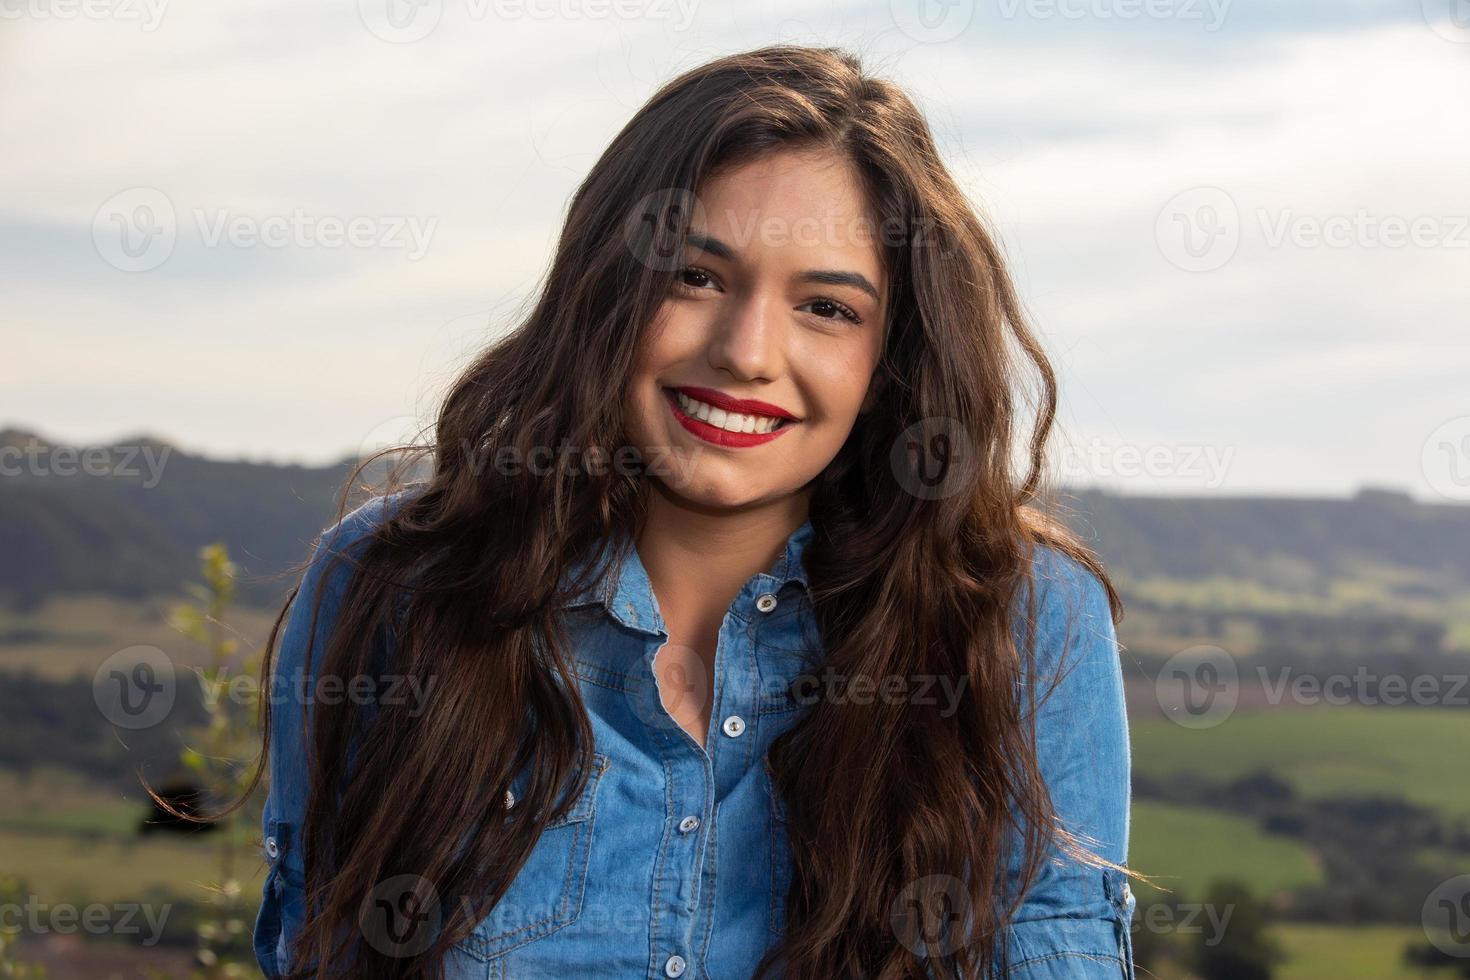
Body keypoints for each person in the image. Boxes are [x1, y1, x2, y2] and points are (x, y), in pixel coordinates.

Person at [247, 43, 1137, 980]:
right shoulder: (395, 583)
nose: (747, 353)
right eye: (697, 277)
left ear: (891, 359)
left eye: (827, 307)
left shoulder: (1023, 617)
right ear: (605, 291)